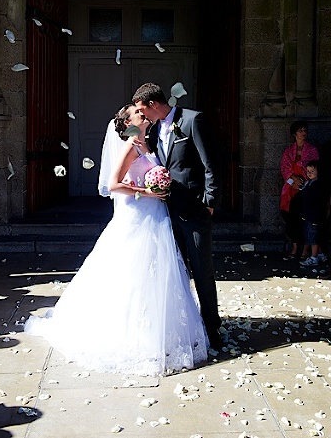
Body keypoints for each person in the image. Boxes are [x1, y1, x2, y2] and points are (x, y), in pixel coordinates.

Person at [24, 104, 209, 376]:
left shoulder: (149, 142)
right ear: (127, 121)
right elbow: (113, 184)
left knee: (158, 274)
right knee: (132, 272)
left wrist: (159, 187)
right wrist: (148, 192)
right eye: (136, 112)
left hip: (156, 216)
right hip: (138, 215)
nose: (141, 114)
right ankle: (132, 333)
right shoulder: (130, 146)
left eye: (141, 110)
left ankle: (159, 330)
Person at [132, 82, 223, 349]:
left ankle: (211, 327)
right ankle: (184, 328)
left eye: (141, 109)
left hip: (195, 212)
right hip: (165, 214)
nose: (141, 115)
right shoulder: (152, 131)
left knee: (202, 271)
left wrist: (209, 203)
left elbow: (211, 163)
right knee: (175, 274)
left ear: (153, 104)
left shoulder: (192, 120)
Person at [280, 120, 319, 259]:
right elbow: (285, 169)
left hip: (306, 188)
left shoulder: (312, 150)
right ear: (294, 134)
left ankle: (306, 249)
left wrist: (302, 180)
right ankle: (295, 245)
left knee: (306, 219)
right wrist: (292, 181)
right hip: (290, 189)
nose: (303, 133)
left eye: (305, 131)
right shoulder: (289, 151)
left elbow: (313, 168)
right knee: (291, 218)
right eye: (300, 131)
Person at [297, 160, 330, 269]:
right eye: (308, 171)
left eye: (312, 171)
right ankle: (320, 254)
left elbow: (318, 202)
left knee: (313, 238)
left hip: (315, 216)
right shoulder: (309, 183)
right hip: (309, 215)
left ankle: (314, 257)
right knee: (311, 236)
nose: (309, 173)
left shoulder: (319, 185)